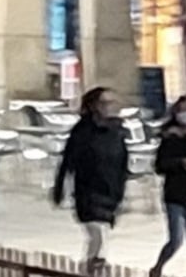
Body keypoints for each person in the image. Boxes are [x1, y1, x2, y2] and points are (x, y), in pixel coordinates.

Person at [50, 89, 128, 267]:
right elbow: (68, 161)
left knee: (102, 237)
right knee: (96, 235)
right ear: (93, 106)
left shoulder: (117, 131)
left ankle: (93, 276)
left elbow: (123, 163)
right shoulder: (82, 131)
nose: (108, 107)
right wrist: (59, 187)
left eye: (111, 103)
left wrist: (120, 191)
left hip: (110, 193)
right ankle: (89, 276)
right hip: (88, 191)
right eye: (104, 103)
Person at [148, 101, 186, 277]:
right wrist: (182, 163)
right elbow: (160, 166)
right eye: (184, 110)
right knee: (176, 240)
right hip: (175, 195)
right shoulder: (170, 137)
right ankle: (157, 269)